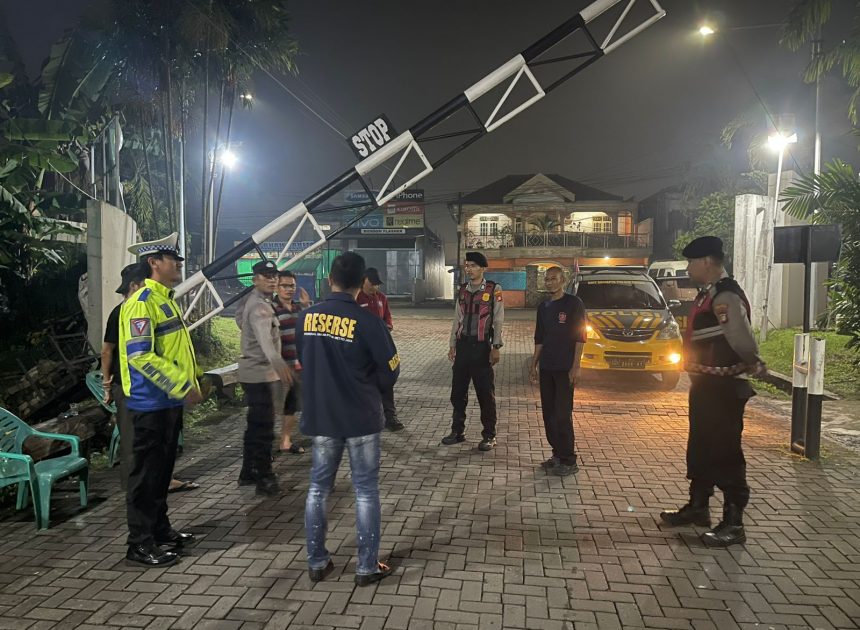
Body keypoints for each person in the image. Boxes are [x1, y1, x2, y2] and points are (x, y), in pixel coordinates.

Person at [297, 252, 400, 586]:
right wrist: (373, 387)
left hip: (323, 417)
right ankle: (365, 566)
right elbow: (391, 369)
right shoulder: (369, 322)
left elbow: (303, 357)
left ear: (330, 279)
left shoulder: (306, 318)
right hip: (361, 417)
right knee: (366, 491)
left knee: (317, 489)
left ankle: (317, 562)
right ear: (360, 285)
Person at [659, 236, 766, 547]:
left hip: (724, 387)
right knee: (702, 447)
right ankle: (698, 507)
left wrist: (754, 362)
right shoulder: (707, 294)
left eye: (692, 263)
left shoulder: (725, 296)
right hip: (705, 384)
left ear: (707, 262)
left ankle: (734, 522)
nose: (689, 268)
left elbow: (741, 338)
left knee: (725, 452)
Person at [119, 232, 202, 567]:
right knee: (145, 477)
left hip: (166, 404)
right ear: (154, 263)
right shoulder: (140, 303)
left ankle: (160, 531)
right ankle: (139, 543)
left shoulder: (165, 299)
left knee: (162, 472)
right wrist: (182, 385)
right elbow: (141, 356)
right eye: (173, 259)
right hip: (148, 404)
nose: (179, 264)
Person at [102, 264, 200, 494]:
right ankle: (135, 488)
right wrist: (108, 384)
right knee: (134, 445)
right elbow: (111, 351)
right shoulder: (132, 309)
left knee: (155, 450)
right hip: (133, 389)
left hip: (155, 391)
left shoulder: (157, 303)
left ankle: (154, 487)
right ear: (137, 284)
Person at [235, 260, 294, 495]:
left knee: (254, 426)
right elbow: (266, 341)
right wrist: (281, 367)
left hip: (253, 373)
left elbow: (239, 320)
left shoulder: (253, 301)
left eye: (273, 276)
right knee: (263, 429)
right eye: (266, 276)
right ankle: (264, 477)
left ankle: (248, 472)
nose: (272, 280)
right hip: (260, 374)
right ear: (255, 279)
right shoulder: (260, 307)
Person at [442, 251, 504, 451]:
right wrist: (452, 344)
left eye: (473, 266)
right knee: (457, 392)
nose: (469, 269)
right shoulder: (462, 291)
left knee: (485, 393)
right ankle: (457, 431)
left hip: (481, 347)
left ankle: (489, 435)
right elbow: (456, 319)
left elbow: (498, 320)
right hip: (463, 347)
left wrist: (496, 347)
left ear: (483, 268)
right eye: (467, 266)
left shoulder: (494, 290)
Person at [529, 266, 587, 477]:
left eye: (554, 279)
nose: (550, 282)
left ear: (563, 280)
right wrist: (534, 364)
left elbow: (580, 336)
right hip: (547, 367)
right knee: (549, 415)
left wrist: (576, 366)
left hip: (565, 369)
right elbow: (539, 338)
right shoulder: (543, 307)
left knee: (563, 415)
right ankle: (556, 455)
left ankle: (569, 460)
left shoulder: (573, 304)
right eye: (547, 279)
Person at [356, 267, 403, 431]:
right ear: (363, 281)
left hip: (381, 348)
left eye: (377, 284)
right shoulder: (355, 298)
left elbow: (387, 316)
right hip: (361, 351)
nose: (375, 287)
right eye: (372, 284)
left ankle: (390, 417)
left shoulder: (382, 298)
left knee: (386, 381)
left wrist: (388, 326)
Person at [272, 269, 311, 454]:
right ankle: (266, 447)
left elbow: (309, 330)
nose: (289, 289)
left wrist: (306, 306)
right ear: (277, 287)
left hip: (297, 365)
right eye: (285, 286)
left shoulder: (298, 308)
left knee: (292, 405)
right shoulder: (270, 309)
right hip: (277, 367)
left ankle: (285, 441)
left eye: (292, 286)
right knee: (273, 406)